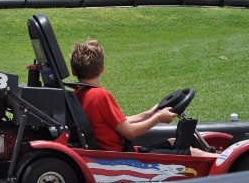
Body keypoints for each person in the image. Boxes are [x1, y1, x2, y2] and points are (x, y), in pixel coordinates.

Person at [69, 39, 217, 157]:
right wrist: (158, 118)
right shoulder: (100, 95)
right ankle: (228, 167)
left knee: (173, 142)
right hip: (120, 158)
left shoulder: (79, 94)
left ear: (74, 71)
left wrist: (148, 114)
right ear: (102, 68)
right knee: (194, 153)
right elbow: (129, 132)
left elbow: (117, 122)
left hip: (112, 154)